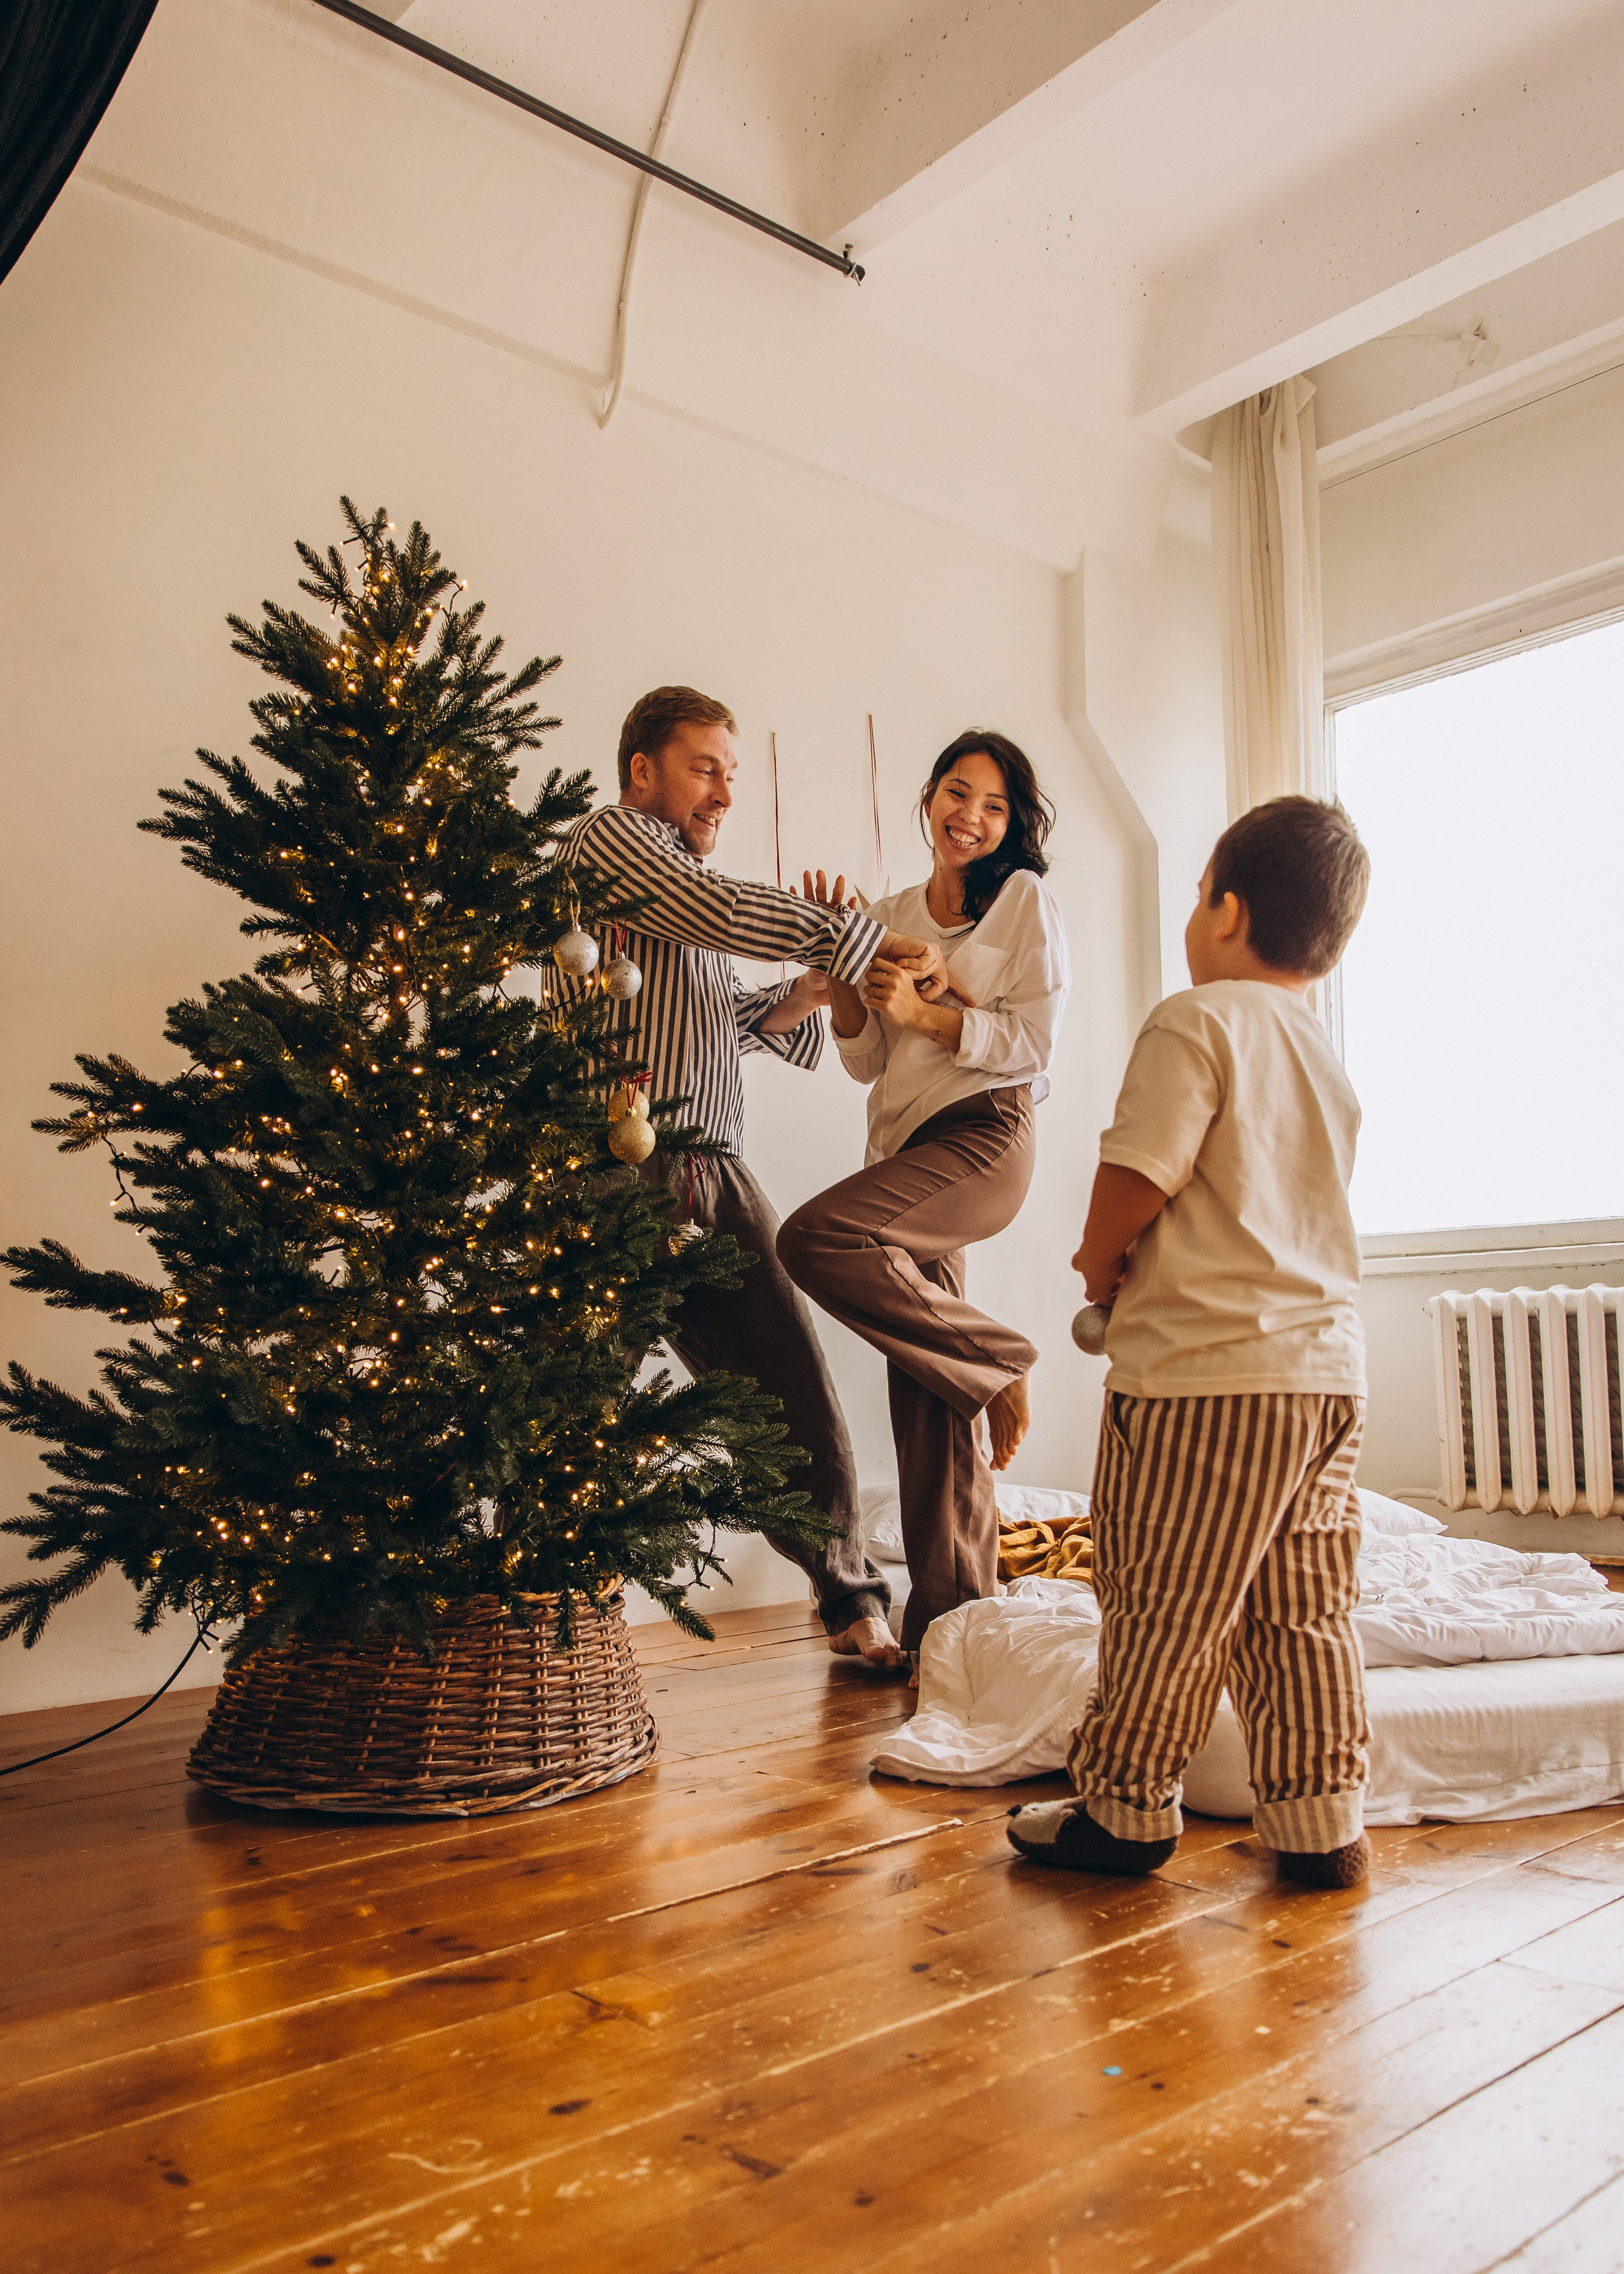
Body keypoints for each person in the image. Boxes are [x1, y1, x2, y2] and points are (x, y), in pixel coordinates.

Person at [1007, 795, 1373, 1890]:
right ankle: (1320, 1819)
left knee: (1167, 1590)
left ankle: (1124, 1807)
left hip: (1207, 1381)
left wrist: (1094, 1259)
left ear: (1226, 907)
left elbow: (1141, 1171)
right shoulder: (1323, 1052)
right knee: (1301, 1606)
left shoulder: (1196, 1020)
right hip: (1325, 1380)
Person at [561, 686, 948, 1669]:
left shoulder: (673, 903)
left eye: (733, 772)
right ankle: (556, 1616)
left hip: (714, 1175)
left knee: (791, 1390)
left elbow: (726, 1022)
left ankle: (852, 1605)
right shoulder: (616, 845)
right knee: (580, 1406)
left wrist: (812, 990)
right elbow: (723, 908)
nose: (724, 790)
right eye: (705, 766)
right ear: (643, 770)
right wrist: (853, 941)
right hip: (621, 1173)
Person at [776, 731, 1069, 1669]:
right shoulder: (893, 911)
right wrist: (840, 986)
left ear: (1013, 824)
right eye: (956, 793)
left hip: (984, 1133)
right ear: (930, 799)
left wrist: (926, 1011)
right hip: (907, 1144)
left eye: (991, 805)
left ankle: (1000, 1354)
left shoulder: (1023, 902)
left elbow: (1031, 1042)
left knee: (815, 1236)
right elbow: (867, 1057)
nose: (969, 817)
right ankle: (953, 1620)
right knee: (924, 1384)